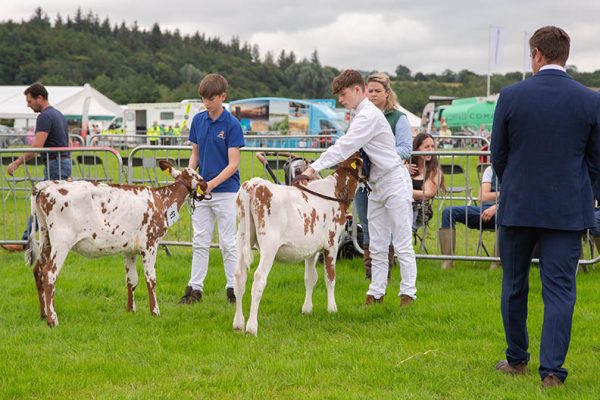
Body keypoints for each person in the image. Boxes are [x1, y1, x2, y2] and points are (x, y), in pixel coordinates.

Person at [491, 26, 600, 388]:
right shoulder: (590, 99)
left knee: (514, 285)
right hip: (566, 212)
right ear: (563, 55)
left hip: (519, 206)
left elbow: (498, 156)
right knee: (559, 291)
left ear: (537, 54)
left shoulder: (510, 95)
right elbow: (595, 162)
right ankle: (552, 371)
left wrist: (516, 186)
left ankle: (516, 358)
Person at [302, 69, 417, 307]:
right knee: (376, 242)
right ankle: (376, 292)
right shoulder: (360, 116)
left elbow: (345, 146)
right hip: (374, 185)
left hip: (394, 181)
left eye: (343, 94)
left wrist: (313, 168)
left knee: (402, 240)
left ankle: (408, 294)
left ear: (357, 90)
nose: (340, 100)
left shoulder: (368, 116)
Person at [179, 73, 245, 305]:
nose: (206, 103)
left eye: (211, 99)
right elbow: (195, 153)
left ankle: (233, 288)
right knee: (200, 240)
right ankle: (195, 288)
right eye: (203, 99)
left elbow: (234, 163)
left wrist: (211, 184)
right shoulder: (198, 120)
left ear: (222, 97)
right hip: (201, 192)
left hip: (226, 192)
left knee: (228, 242)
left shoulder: (232, 125)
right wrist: (190, 175)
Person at [355, 72, 412, 280]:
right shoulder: (361, 116)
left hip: (389, 178)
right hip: (365, 180)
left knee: (391, 231)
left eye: (377, 91)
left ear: (387, 93)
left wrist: (381, 156)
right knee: (368, 227)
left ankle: (387, 273)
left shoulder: (398, 118)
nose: (372, 95)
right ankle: (372, 276)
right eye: (369, 91)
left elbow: (406, 148)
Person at [3, 82, 72, 252]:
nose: (28, 105)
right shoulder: (59, 115)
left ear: (39, 98)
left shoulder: (44, 117)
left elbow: (37, 147)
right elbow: (68, 142)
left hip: (55, 164)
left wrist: (17, 162)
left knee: (39, 203)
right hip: (63, 163)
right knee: (55, 206)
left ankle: (26, 242)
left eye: (29, 101)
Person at [438, 164, 498, 269]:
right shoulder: (491, 170)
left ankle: (497, 263)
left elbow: (518, 197)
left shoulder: (518, 169)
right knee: (449, 212)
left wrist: (497, 206)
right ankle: (447, 263)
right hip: (484, 211)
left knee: (505, 214)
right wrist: (506, 194)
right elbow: (483, 196)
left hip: (506, 211)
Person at [410, 132, 444, 231]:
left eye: (432, 146)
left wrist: (403, 192)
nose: (430, 150)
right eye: (426, 147)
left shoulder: (434, 171)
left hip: (418, 210)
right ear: (416, 149)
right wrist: (403, 169)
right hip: (399, 205)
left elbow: (427, 194)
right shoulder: (406, 164)